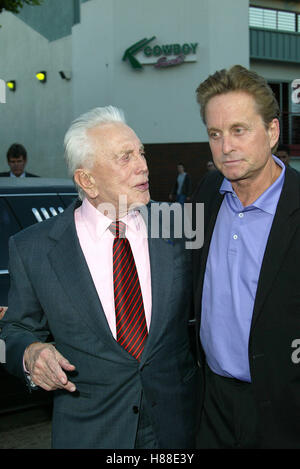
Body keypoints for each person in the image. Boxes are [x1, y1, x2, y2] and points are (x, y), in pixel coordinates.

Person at [0, 106, 200, 449]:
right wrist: (29, 353)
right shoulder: (33, 248)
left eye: (141, 152)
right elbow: (14, 331)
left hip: (177, 429)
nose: (143, 166)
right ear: (86, 180)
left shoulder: (179, 226)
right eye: (125, 157)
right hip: (91, 432)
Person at [192, 65, 300, 449]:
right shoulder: (206, 193)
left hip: (286, 412)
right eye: (215, 134)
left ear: (272, 132)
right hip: (212, 406)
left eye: (239, 130)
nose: (226, 147)